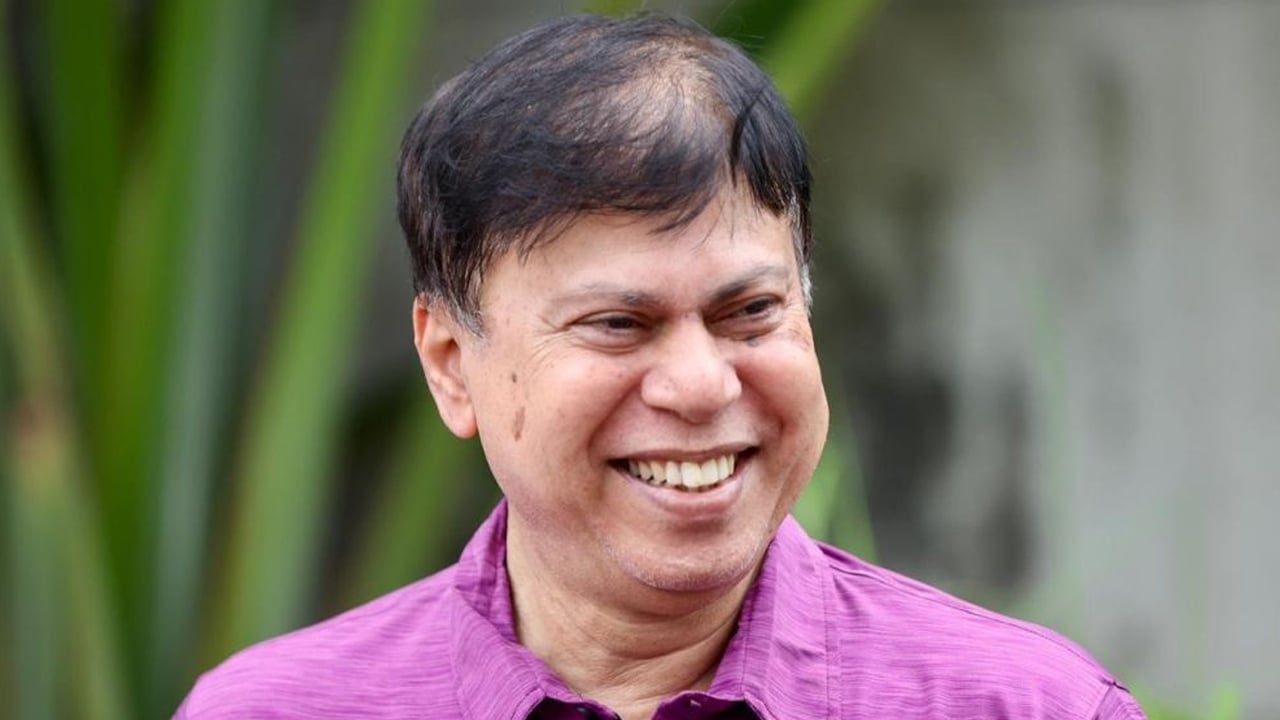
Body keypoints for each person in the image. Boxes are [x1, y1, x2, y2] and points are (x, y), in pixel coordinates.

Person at [173, 13, 1147, 720]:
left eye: (750, 312)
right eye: (616, 324)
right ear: (451, 365)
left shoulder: (1024, 707)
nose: (701, 385)